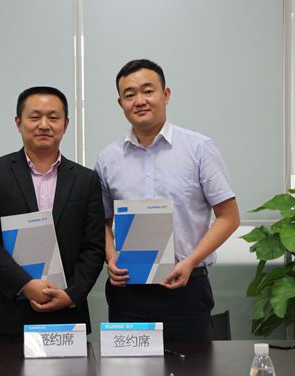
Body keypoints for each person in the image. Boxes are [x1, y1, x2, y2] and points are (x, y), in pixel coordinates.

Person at [95, 59, 240, 341]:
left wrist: (191, 261)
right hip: (128, 291)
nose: (139, 101)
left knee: (194, 368)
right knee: (129, 370)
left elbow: (229, 217)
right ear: (120, 103)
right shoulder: (108, 158)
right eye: (129, 95)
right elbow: (102, 221)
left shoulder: (199, 148)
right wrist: (111, 258)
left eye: (148, 91)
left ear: (166, 94)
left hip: (186, 286)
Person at [0, 86, 105, 344]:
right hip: (2, 313)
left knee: (68, 375)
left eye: (53, 117)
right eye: (34, 117)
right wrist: (25, 284)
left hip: (65, 313)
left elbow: (94, 247)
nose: (44, 125)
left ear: (66, 124)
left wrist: (72, 294)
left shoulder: (86, 180)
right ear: (18, 123)